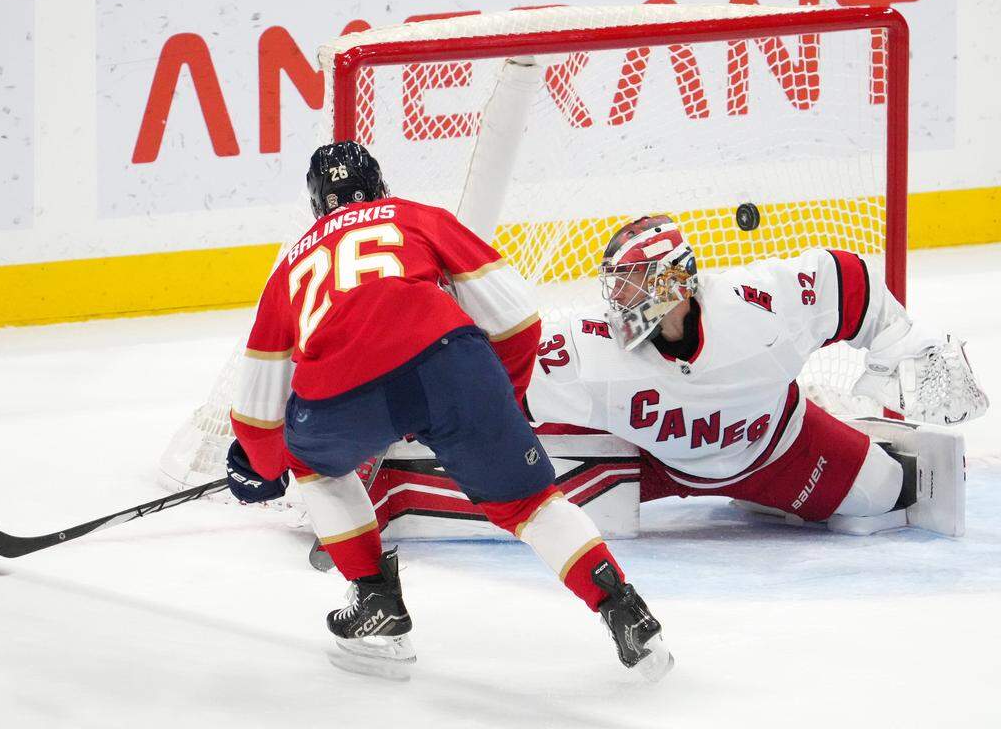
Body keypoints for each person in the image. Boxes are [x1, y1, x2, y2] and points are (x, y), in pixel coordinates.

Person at [224, 141, 672, 678]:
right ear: (379, 185)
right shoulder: (417, 217)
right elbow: (521, 319)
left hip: (340, 396)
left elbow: (254, 414)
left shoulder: (291, 265)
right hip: (451, 364)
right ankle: (627, 614)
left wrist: (268, 466)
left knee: (313, 466)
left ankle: (376, 605)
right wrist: (492, 396)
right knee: (531, 505)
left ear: (319, 205)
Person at [526, 215, 988, 535]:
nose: (619, 297)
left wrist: (907, 345)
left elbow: (849, 280)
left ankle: (784, 482)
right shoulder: (589, 343)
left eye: (633, 281)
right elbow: (510, 374)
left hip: (778, 449)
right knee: (537, 500)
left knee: (883, 491)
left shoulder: (755, 308)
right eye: (617, 282)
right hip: (655, 465)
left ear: (672, 282)